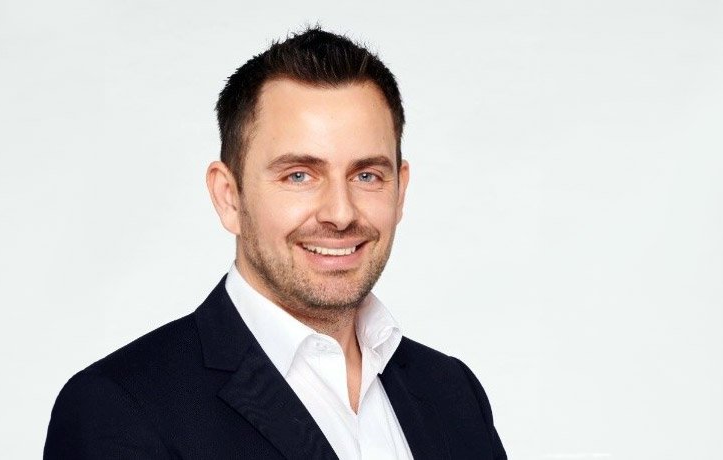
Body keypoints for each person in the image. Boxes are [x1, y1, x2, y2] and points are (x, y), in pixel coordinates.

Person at [44, 27, 507, 460]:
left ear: (400, 191)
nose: (340, 213)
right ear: (229, 197)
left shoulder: (453, 392)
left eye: (367, 175)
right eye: (299, 175)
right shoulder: (120, 408)